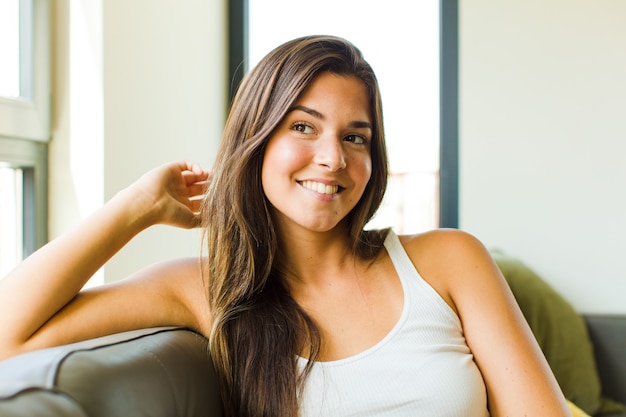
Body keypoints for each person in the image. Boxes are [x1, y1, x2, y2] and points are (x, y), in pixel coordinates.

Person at [0, 35, 571, 417]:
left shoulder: (449, 261)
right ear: (257, 140)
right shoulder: (204, 291)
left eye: (355, 136)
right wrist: (133, 208)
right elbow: (9, 338)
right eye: (304, 127)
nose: (333, 158)